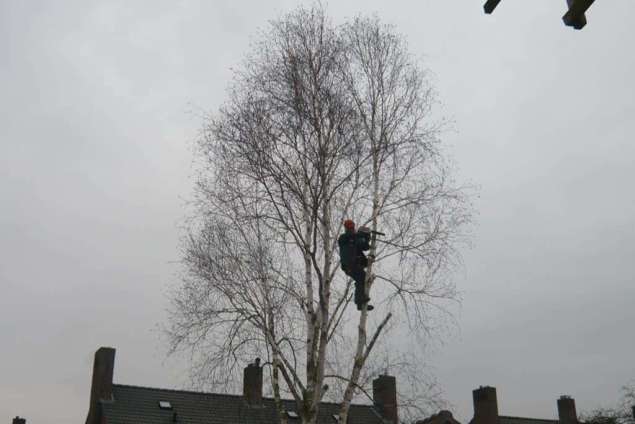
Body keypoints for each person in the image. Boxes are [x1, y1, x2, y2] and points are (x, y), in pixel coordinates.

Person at [338, 219, 374, 311]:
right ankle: (359, 301)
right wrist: (360, 235)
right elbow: (351, 237)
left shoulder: (354, 241)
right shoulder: (344, 238)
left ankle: (360, 303)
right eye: (349, 227)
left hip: (354, 264)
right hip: (349, 264)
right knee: (362, 277)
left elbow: (364, 246)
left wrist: (366, 238)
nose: (351, 229)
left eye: (352, 227)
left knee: (363, 278)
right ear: (346, 228)